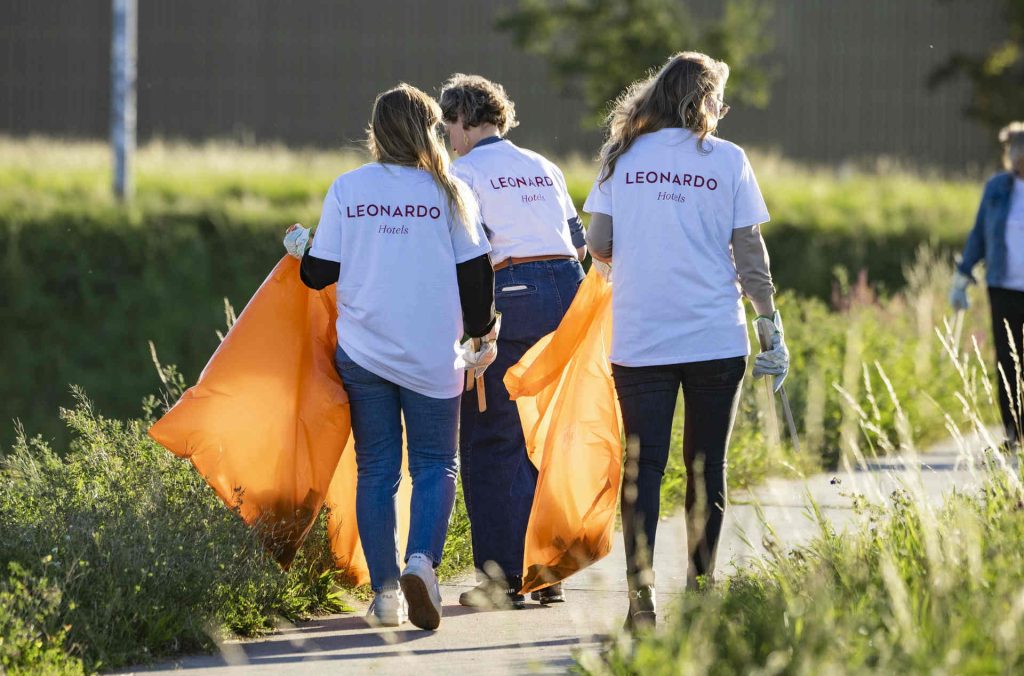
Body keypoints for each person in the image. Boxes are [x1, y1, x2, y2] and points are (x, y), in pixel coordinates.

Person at [583, 52, 789, 631]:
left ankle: (640, 599)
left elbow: (599, 242)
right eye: (720, 100)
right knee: (706, 467)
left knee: (641, 468)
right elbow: (749, 252)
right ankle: (700, 593)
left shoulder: (620, 155)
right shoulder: (728, 160)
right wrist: (770, 319)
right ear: (703, 103)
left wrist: (645, 250)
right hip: (714, 337)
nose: (723, 111)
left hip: (642, 336)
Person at [282, 84, 498, 630]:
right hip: (432, 354)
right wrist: (480, 336)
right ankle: (421, 562)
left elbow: (318, 274)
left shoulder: (347, 189)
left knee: (377, 469)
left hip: (365, 352)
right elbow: (475, 277)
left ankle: (384, 594)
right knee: (434, 465)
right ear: (430, 130)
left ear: (375, 134)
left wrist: (299, 247)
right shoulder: (450, 192)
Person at [437, 73, 587, 609]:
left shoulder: (463, 172)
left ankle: (502, 579)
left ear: (463, 120)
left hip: (512, 290)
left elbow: (467, 252)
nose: (446, 136)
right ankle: (548, 570)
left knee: (492, 434)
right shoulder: (543, 165)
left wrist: (474, 327)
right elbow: (579, 242)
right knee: (544, 435)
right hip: (567, 293)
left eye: (447, 125)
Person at [950, 121, 1024, 450]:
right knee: (1008, 359)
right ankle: (1014, 431)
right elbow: (979, 233)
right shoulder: (997, 187)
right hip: (1003, 286)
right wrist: (962, 276)